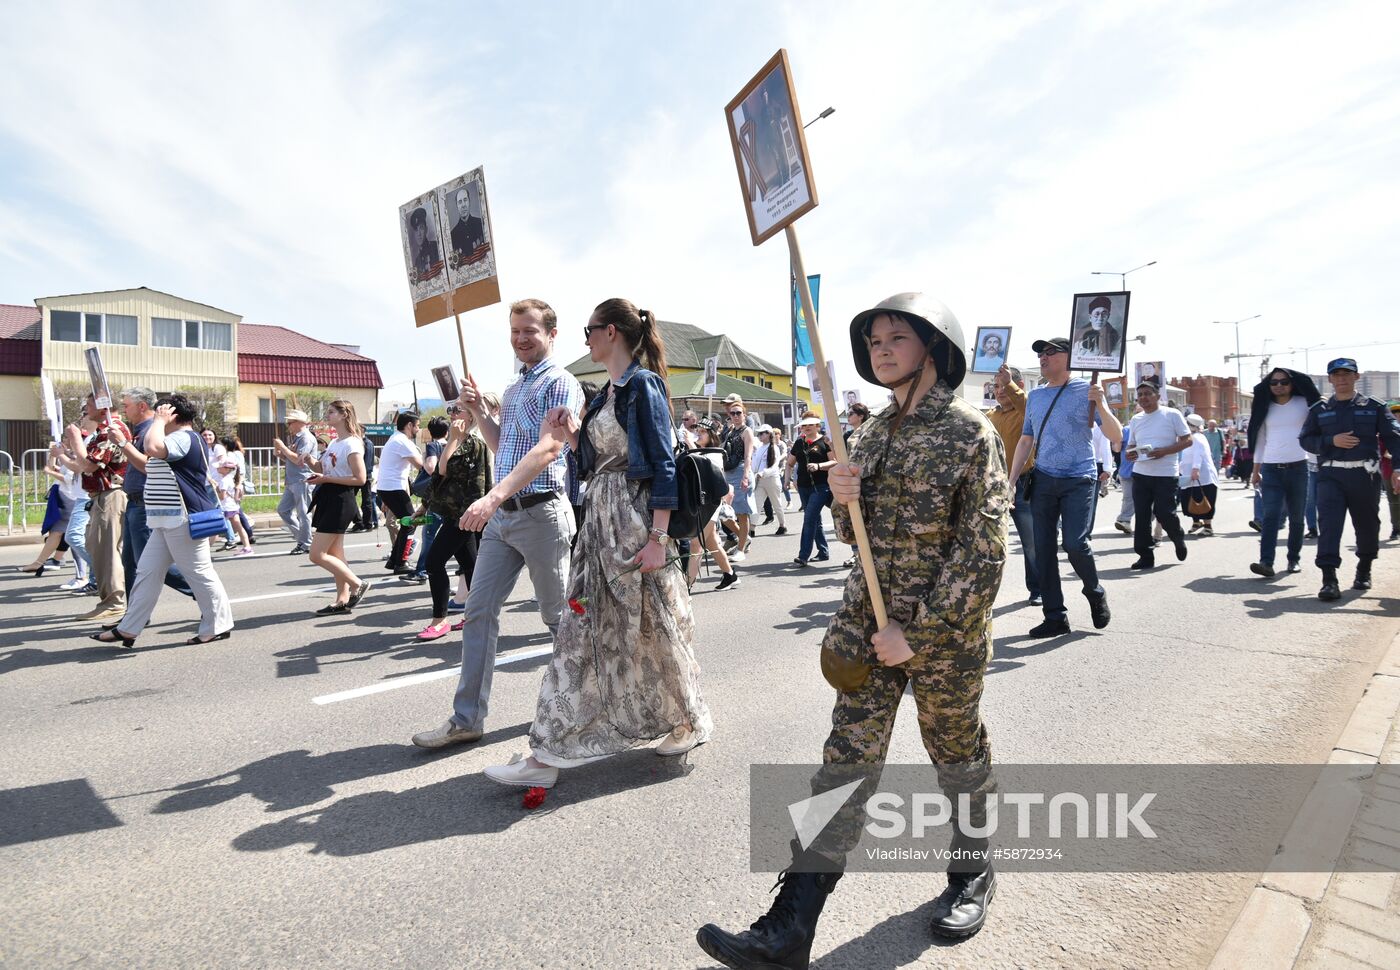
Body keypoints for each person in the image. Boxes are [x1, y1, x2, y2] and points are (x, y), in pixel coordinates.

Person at [697, 294, 1008, 965]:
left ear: (934, 345)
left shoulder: (969, 432)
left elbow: (983, 552)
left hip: (942, 643)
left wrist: (918, 635)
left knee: (956, 758)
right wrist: (843, 497)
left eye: (897, 337)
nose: (883, 349)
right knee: (843, 767)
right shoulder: (867, 434)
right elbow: (852, 535)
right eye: (873, 342)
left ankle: (972, 873)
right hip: (869, 634)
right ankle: (790, 926)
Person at [481, 297, 712, 788]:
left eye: (589, 329)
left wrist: (657, 537)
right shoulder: (608, 392)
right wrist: (571, 436)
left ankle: (671, 721)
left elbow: (662, 463)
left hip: (631, 521)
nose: (584, 338)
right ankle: (558, 748)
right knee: (598, 632)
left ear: (611, 332)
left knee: (641, 629)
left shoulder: (642, 385)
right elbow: (591, 462)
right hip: (600, 523)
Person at [411, 297, 584, 750]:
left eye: (530, 330)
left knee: (558, 620)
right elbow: (501, 444)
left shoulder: (562, 383)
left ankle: (585, 704)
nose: (522, 338)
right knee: (477, 612)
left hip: (543, 514)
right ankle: (466, 718)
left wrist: (492, 495)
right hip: (503, 520)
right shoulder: (513, 387)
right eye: (515, 331)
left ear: (551, 334)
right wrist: (481, 413)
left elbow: (549, 449)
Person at [88, 394, 233, 648]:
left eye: (161, 414)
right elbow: (147, 464)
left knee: (199, 573)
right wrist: (123, 443)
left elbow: (153, 449)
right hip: (165, 518)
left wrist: (158, 420)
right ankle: (129, 628)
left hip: (182, 518)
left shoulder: (183, 437)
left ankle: (218, 625)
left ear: (172, 415)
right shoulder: (177, 439)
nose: (157, 418)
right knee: (147, 572)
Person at [1008, 337, 1122, 637]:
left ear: (1069, 358)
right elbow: (1026, 440)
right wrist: (1010, 481)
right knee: (1043, 550)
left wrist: (1100, 403)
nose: (1043, 358)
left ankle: (1094, 592)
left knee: (1074, 543)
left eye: (1050, 353)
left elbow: (1116, 435)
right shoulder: (1035, 397)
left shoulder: (1087, 390)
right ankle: (1055, 616)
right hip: (1043, 478)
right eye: (1040, 354)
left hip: (1079, 479)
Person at [1299, 358, 1400, 600]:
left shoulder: (1374, 406)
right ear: (1330, 379)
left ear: (1357, 377)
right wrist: (1330, 441)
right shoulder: (1319, 410)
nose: (1342, 379)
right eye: (1336, 374)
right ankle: (1329, 579)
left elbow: (1394, 437)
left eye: (1347, 374)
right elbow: (1305, 439)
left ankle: (1364, 569)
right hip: (1330, 474)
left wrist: (1398, 467)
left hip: (1363, 475)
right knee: (1330, 525)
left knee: (1367, 524)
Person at [415, 408, 491, 641]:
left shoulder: (475, 444)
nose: (452, 413)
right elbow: (440, 473)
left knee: (434, 561)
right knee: (471, 566)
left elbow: (479, 482)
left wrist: (476, 516)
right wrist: (424, 505)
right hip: (450, 512)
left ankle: (440, 620)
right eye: (451, 409)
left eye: (458, 409)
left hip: (464, 515)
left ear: (470, 416)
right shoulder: (457, 441)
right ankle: (476, 616)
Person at [115, 387, 197, 595]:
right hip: (135, 502)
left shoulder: (151, 431)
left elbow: (148, 464)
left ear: (141, 406)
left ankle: (201, 592)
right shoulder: (140, 430)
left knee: (149, 563)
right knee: (133, 563)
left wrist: (123, 444)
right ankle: (132, 617)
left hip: (146, 505)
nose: (124, 410)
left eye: (126, 405)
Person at [1247, 368, 1321, 577]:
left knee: (1297, 517)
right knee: (1271, 516)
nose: (1279, 386)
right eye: (1274, 382)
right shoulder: (1264, 407)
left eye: (1284, 382)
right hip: (1271, 468)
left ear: (1292, 383)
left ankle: (1293, 559)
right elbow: (1260, 440)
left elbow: (1318, 426)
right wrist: (1255, 471)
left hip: (1299, 467)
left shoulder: (1303, 403)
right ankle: (1266, 562)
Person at [63, 396, 130, 624]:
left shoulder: (112, 430)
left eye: (88, 405)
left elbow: (89, 465)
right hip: (101, 496)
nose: (85, 409)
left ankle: (114, 603)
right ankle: (109, 601)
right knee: (98, 548)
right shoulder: (104, 430)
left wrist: (75, 440)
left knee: (107, 551)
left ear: (102, 408)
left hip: (111, 495)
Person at [305, 400, 372, 615]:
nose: (327, 415)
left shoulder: (352, 444)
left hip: (341, 500)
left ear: (344, 415)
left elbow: (360, 479)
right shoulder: (335, 443)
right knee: (336, 554)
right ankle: (342, 600)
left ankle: (356, 584)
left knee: (316, 554)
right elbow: (322, 467)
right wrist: (308, 460)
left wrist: (326, 479)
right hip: (329, 497)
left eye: (332, 412)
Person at [1124, 382, 1191, 570]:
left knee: (1164, 512)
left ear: (1157, 396)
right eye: (1140, 395)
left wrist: (1165, 451)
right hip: (1141, 473)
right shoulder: (1136, 419)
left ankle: (1177, 536)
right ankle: (1145, 556)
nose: (1143, 398)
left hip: (1166, 474)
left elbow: (1188, 440)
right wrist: (1130, 453)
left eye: (1147, 394)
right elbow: (1131, 445)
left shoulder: (1172, 414)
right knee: (1142, 516)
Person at [987, 363, 1039, 604]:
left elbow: (1025, 402)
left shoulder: (1026, 411)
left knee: (1031, 544)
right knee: (990, 544)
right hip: (994, 489)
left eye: (1004, 385)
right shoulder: (989, 417)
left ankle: (1037, 589)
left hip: (1024, 487)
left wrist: (1009, 383)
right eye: (996, 386)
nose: (999, 391)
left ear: (1017, 386)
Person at [686, 419, 739, 591]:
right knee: (712, 543)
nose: (697, 434)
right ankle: (730, 576)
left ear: (711, 434)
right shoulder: (699, 451)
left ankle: (686, 588)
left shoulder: (715, 453)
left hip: (710, 505)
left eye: (701, 431)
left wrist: (689, 443)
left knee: (696, 544)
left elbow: (705, 470)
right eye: (697, 431)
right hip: (700, 504)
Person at [377, 410, 425, 573]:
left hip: (388, 488)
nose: (418, 430)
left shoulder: (395, 438)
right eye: (417, 426)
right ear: (409, 425)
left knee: (407, 522)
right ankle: (401, 562)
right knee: (411, 522)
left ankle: (394, 560)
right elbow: (422, 467)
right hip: (393, 488)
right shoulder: (402, 441)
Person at [788, 415, 833, 566]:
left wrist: (819, 466)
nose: (807, 428)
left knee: (809, 518)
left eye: (810, 425)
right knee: (815, 519)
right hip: (802, 486)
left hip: (821, 486)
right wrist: (788, 479)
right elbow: (790, 462)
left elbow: (835, 461)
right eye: (804, 425)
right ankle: (823, 552)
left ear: (817, 426)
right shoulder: (799, 442)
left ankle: (803, 556)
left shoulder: (824, 441)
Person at [272, 408, 317, 555]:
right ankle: (305, 538)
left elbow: (299, 460)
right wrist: (280, 454)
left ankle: (305, 543)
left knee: (303, 513)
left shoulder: (306, 438)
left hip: (302, 479)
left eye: (290, 423)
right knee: (283, 510)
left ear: (299, 423)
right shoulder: (297, 438)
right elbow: (291, 459)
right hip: (292, 480)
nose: (288, 425)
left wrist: (283, 448)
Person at [720, 399, 756, 561]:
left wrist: (746, 476)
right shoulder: (730, 430)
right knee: (723, 512)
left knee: (742, 513)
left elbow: (748, 455)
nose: (735, 416)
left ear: (744, 414)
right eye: (732, 413)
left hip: (742, 471)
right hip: (729, 473)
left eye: (738, 413)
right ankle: (743, 537)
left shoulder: (747, 431)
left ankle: (741, 549)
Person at [1181, 413, 1220, 536]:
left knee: (1204, 499)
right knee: (1190, 498)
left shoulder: (1198, 437)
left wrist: (1195, 469)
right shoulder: (1190, 437)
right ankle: (1196, 522)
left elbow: (1199, 454)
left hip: (1202, 476)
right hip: (1189, 474)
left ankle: (1208, 526)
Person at [215, 442, 254, 557]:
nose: (218, 468)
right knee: (239, 527)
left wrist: (216, 489)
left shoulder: (224, 481)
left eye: (220, 466)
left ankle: (246, 547)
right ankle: (247, 547)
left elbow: (222, 497)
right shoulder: (230, 479)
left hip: (228, 507)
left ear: (227, 469)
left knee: (229, 527)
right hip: (233, 506)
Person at [751, 425, 788, 536]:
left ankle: (782, 525)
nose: (759, 436)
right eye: (759, 434)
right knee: (757, 504)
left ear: (768, 434)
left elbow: (774, 466)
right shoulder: (760, 448)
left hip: (771, 479)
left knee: (777, 504)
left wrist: (764, 472)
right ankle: (752, 529)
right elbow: (755, 465)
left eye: (762, 433)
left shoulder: (774, 448)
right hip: (760, 480)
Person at [449, 186, 485, 259]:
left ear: (469, 201)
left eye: (465, 200)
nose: (463, 205)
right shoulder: (452, 235)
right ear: (457, 206)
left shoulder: (480, 223)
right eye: (460, 202)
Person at [408, 206, 440, 276]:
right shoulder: (417, 261)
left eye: (421, 228)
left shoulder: (436, 247)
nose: (419, 233)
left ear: (426, 229)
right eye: (416, 230)